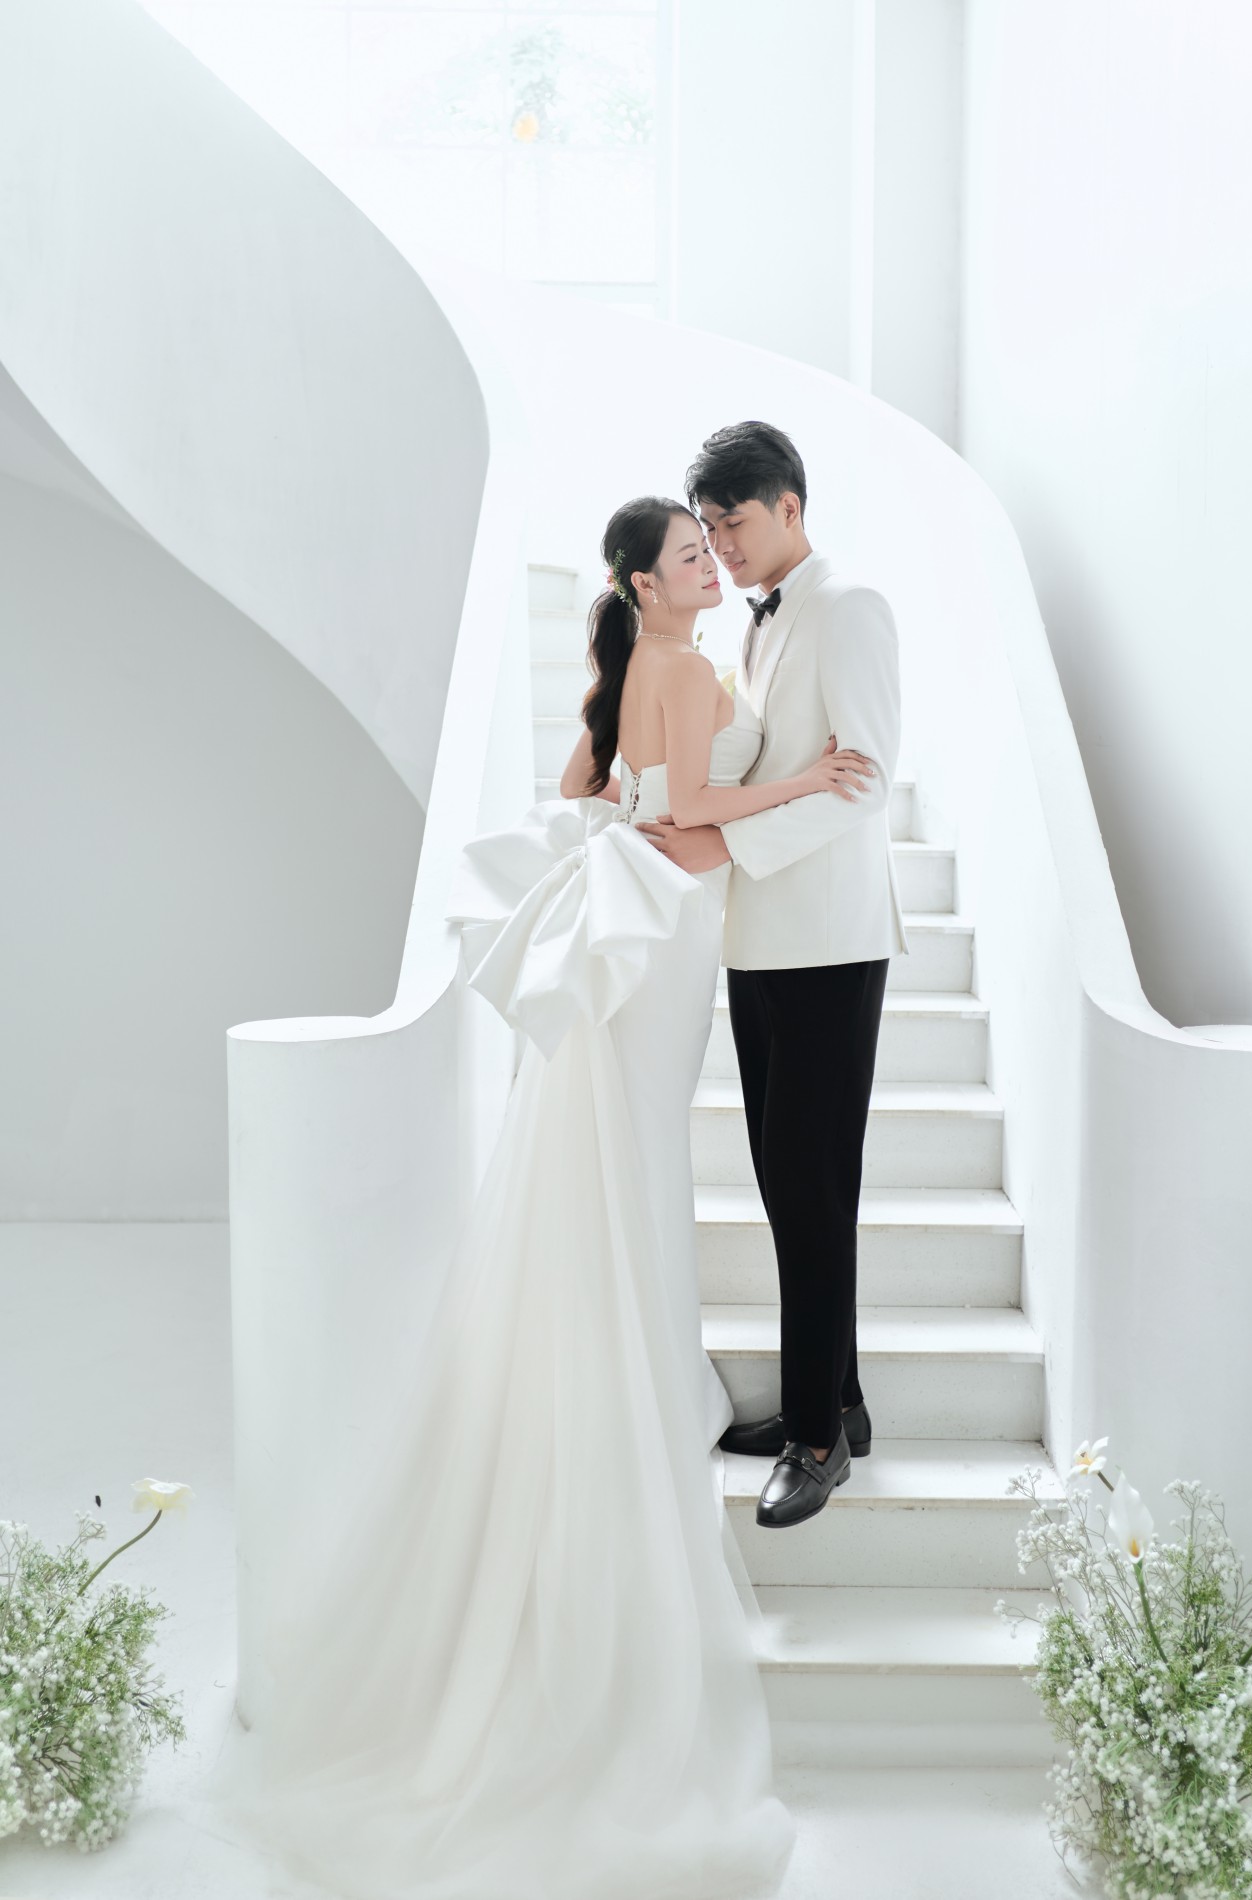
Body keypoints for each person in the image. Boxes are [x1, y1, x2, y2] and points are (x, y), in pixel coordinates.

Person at [203, 494, 873, 1900]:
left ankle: (640, 1364)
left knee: (630, 1149)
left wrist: (655, 810)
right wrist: (805, 782)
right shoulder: (676, 663)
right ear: (645, 581)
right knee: (640, 1153)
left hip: (654, 925)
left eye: (711, 548)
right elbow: (685, 813)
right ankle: (637, 1379)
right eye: (688, 555)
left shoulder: (642, 660)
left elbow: (595, 791)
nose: (708, 565)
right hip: (666, 928)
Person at [636, 422, 908, 1531]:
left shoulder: (849, 607)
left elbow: (865, 777)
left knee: (811, 1188)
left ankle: (814, 1442)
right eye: (707, 531)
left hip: (828, 942)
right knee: (783, 1181)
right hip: (758, 940)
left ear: (789, 506)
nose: (722, 548)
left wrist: (725, 843)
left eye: (734, 524)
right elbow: (763, 758)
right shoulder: (757, 623)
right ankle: (835, 1399)